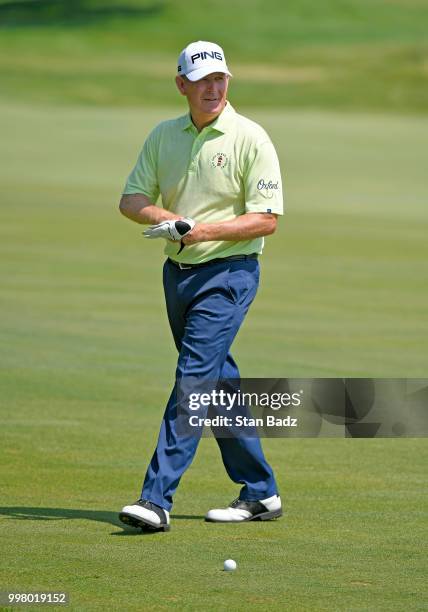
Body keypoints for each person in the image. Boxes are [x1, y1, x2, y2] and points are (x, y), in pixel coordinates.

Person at [118, 41, 284, 532]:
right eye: (203, 80)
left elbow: (266, 220)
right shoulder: (163, 136)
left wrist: (200, 230)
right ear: (182, 85)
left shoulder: (250, 137)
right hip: (179, 274)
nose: (213, 88)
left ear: (228, 82)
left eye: (220, 79)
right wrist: (170, 220)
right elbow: (131, 199)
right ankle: (261, 493)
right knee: (216, 383)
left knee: (193, 379)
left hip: (230, 274)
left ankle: (155, 498)